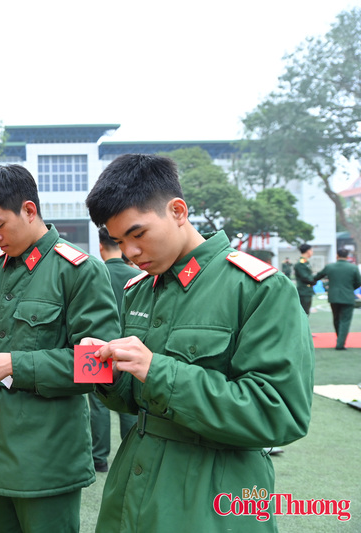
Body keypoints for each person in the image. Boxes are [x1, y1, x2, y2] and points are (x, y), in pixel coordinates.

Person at [82, 154, 314, 532]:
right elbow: (130, 400)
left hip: (212, 498)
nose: (130, 253)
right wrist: (106, 373)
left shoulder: (258, 289)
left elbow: (279, 412)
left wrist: (157, 370)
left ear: (177, 211)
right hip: (132, 489)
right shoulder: (138, 290)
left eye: (138, 234)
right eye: (120, 240)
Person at [0, 164, 120, 533]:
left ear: (29, 210)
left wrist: (13, 365)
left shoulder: (78, 271)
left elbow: (97, 367)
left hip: (45, 458)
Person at [88, 228, 139, 472]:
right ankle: (131, 456)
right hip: (132, 347)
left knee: (97, 404)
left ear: (100, 246)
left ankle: (99, 458)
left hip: (96, 349)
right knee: (131, 399)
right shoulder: (137, 275)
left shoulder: (92, 273)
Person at [313, 248, 361, 350]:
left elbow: (317, 277)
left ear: (337, 256)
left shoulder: (330, 266)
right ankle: (340, 343)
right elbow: (358, 282)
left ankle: (339, 339)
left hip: (333, 297)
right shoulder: (353, 267)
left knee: (336, 319)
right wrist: (350, 288)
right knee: (345, 320)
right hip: (348, 297)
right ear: (347, 256)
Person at [294, 243, 315, 315]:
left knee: (306, 312)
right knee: (304, 313)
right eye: (312, 250)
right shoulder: (301, 263)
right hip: (304, 291)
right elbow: (306, 277)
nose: (312, 252)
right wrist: (315, 279)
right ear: (308, 251)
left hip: (307, 291)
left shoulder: (305, 262)